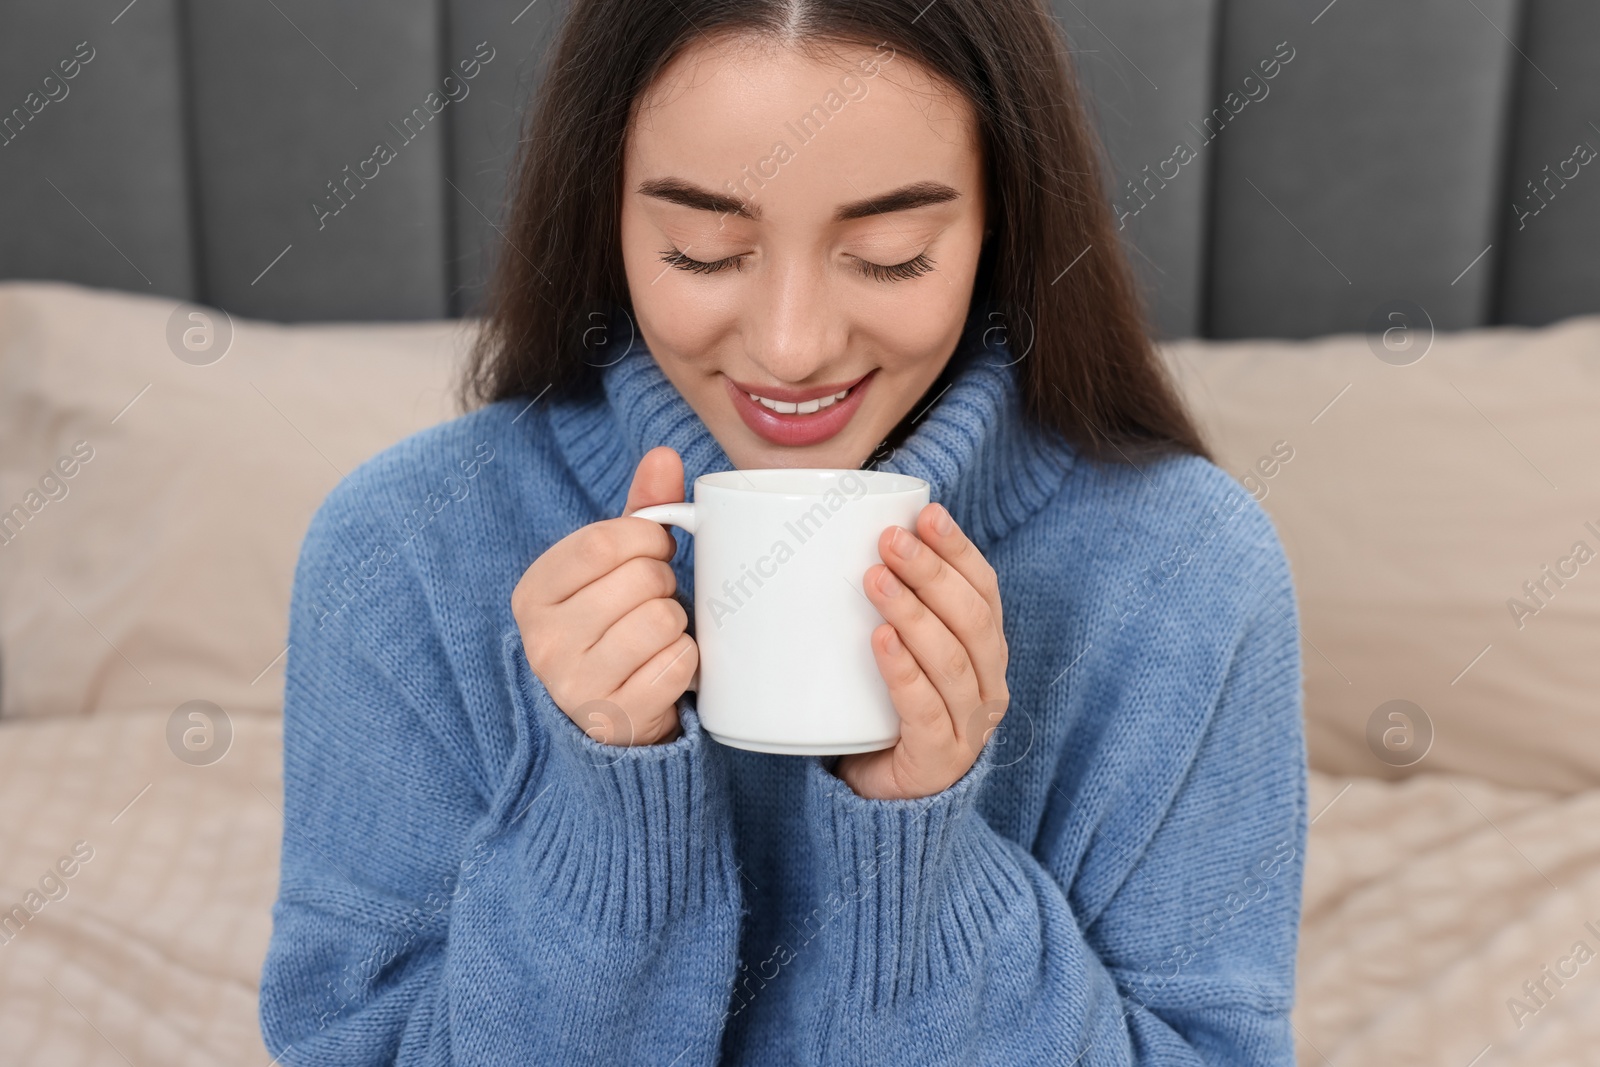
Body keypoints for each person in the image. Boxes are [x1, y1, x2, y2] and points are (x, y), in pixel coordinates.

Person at [258, 0, 1307, 1062]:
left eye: (892, 254)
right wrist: (604, 830)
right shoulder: (400, 548)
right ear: (605, 216)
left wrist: (918, 858)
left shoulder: (1188, 575)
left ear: (1003, 220)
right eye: (702, 250)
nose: (792, 346)